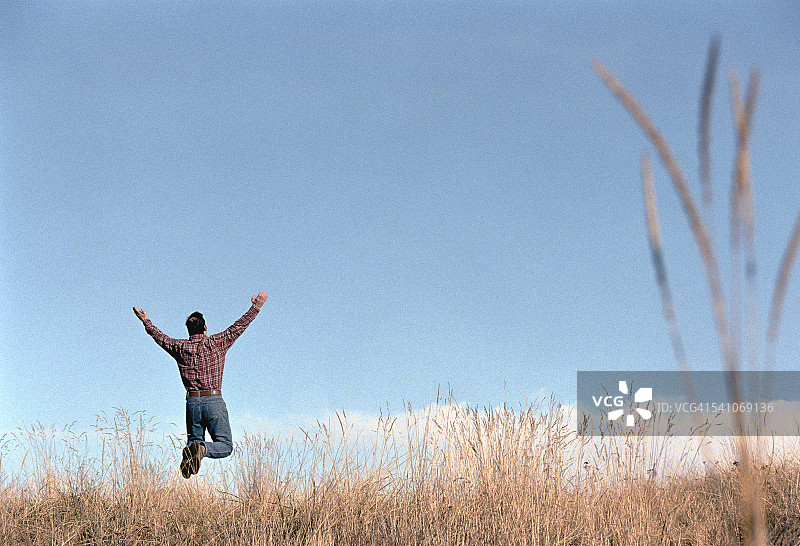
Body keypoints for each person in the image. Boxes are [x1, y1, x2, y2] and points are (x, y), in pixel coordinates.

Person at [132, 292, 267, 478]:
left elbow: (160, 337)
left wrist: (146, 321)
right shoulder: (216, 343)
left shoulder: (180, 347)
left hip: (192, 403)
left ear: (188, 330)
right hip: (213, 400)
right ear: (205, 328)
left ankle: (192, 455)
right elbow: (238, 326)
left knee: (194, 441)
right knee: (225, 446)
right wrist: (255, 307)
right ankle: (202, 449)